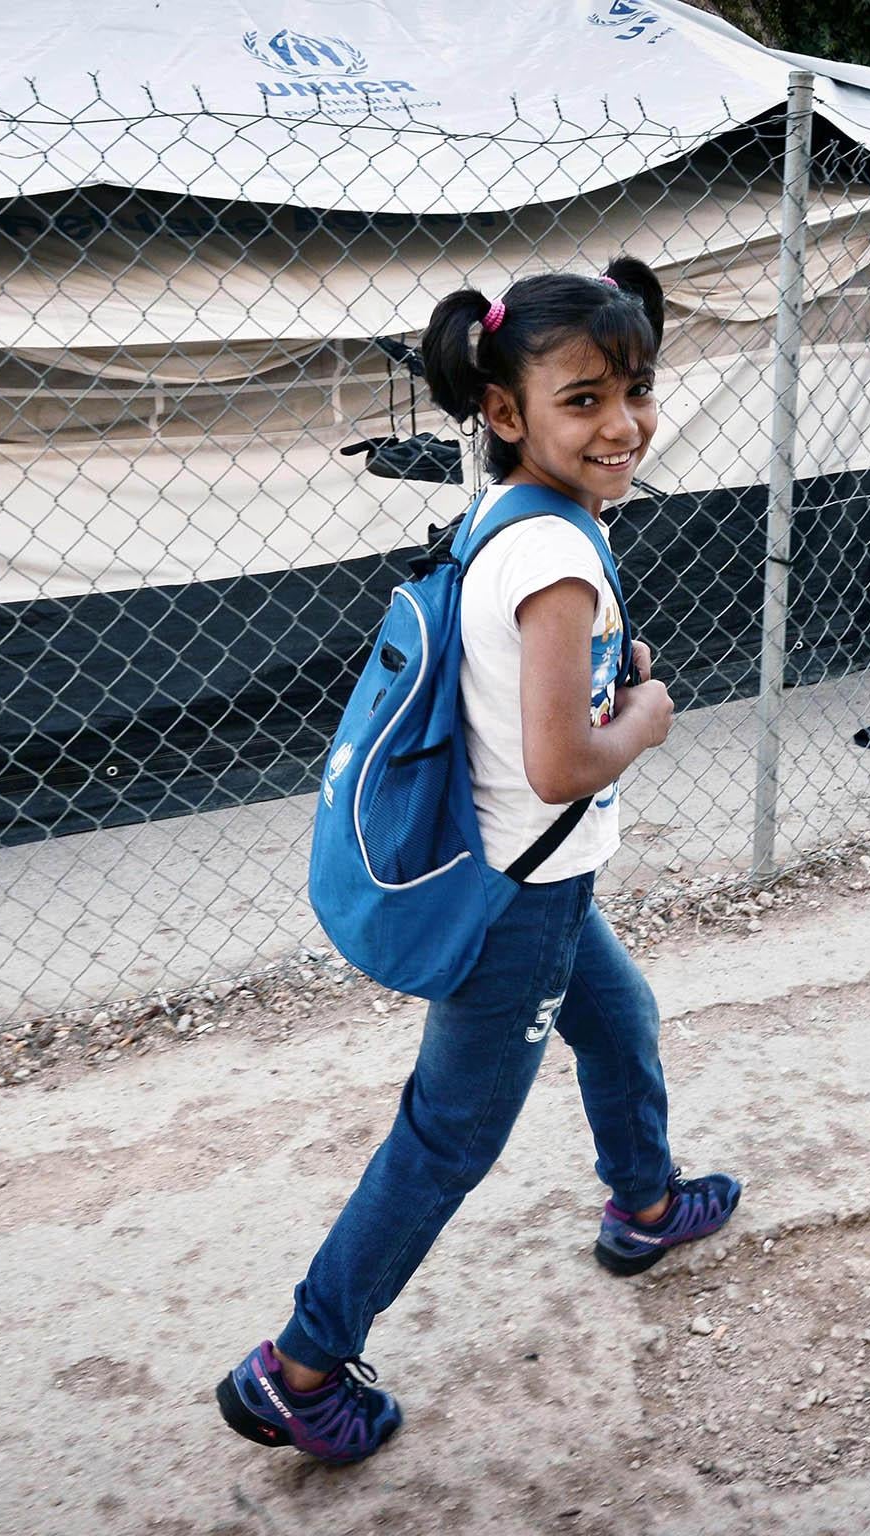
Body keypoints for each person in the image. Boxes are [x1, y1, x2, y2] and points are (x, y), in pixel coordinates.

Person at [216, 258, 742, 1464]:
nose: (622, 424)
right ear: (505, 412)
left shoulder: (507, 521)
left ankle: (645, 1206)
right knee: (448, 1136)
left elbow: (520, 681)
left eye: (637, 389)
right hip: (519, 894)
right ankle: (301, 1365)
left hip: (525, 875)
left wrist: (608, 666)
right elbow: (562, 764)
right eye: (583, 399)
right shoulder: (556, 558)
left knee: (618, 1023)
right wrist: (645, 720)